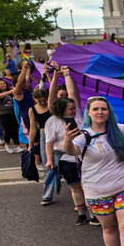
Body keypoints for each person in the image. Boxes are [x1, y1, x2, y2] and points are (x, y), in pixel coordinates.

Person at [62, 94, 124, 246]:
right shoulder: (83, 136)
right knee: (109, 229)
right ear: (89, 113)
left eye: (104, 108)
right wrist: (67, 139)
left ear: (109, 112)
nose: (100, 112)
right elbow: (71, 151)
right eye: (96, 109)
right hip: (97, 192)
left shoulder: (117, 131)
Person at [43, 67, 92, 225]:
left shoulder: (77, 114)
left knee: (88, 186)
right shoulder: (52, 121)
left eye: (73, 107)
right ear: (61, 109)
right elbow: (49, 143)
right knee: (75, 187)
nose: (74, 109)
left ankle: (94, 214)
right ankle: (81, 212)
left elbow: (72, 94)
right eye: (70, 108)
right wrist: (50, 160)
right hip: (65, 159)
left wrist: (66, 75)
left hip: (84, 157)